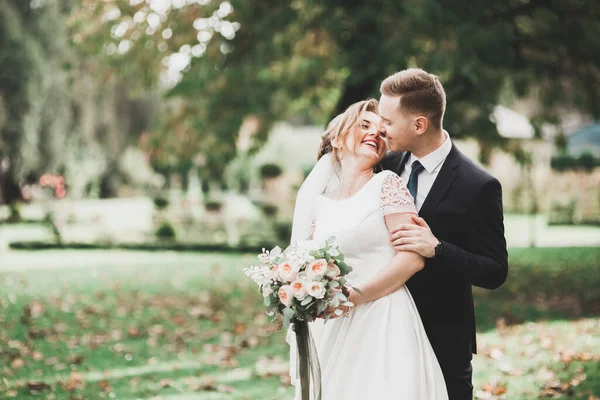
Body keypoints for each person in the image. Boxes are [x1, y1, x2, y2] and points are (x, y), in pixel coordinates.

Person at [288, 99, 448, 399]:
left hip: (384, 319)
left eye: (381, 130)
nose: (375, 133)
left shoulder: (387, 185)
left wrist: (353, 297)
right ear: (337, 138)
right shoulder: (319, 205)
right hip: (334, 325)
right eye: (364, 125)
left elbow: (412, 260)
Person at [377, 68, 508, 399]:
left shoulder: (478, 186)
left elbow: (495, 270)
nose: (381, 128)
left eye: (388, 121)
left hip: (444, 336)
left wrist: (438, 248)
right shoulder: (385, 167)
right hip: (383, 326)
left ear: (419, 124)